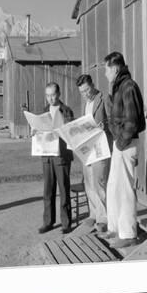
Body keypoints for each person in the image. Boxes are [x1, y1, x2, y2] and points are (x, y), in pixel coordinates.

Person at [101, 52, 146, 249]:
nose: (104, 73)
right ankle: (114, 227)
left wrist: (120, 142)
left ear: (115, 68)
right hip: (120, 143)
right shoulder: (119, 87)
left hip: (125, 145)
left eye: (106, 69)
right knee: (113, 187)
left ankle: (128, 233)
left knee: (125, 188)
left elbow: (133, 121)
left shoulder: (128, 87)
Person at [34, 82, 74, 235]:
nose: (50, 98)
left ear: (59, 94)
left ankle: (66, 223)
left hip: (61, 155)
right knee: (48, 190)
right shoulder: (44, 111)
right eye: (48, 95)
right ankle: (48, 222)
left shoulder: (66, 111)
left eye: (53, 95)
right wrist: (35, 132)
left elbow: (71, 132)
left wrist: (62, 130)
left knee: (64, 189)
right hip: (47, 155)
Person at [76, 74, 112, 233]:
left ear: (93, 84)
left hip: (100, 147)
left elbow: (114, 119)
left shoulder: (104, 98)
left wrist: (106, 125)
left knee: (99, 182)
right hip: (87, 148)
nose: (86, 94)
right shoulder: (85, 103)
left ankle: (104, 218)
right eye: (82, 92)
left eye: (87, 90)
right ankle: (94, 214)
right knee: (89, 182)